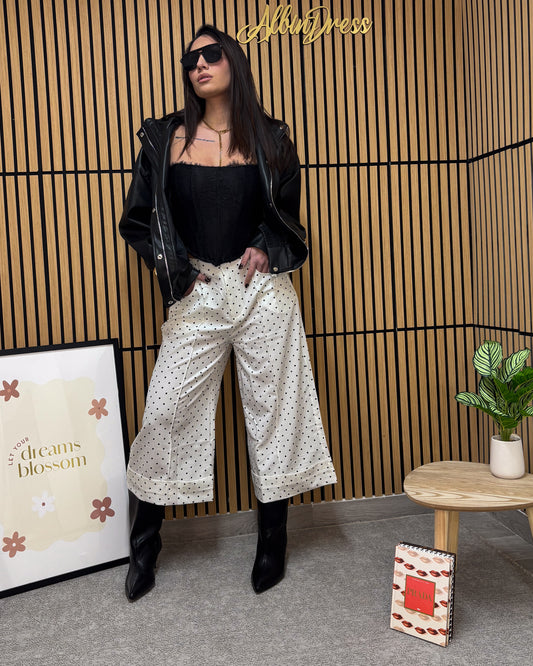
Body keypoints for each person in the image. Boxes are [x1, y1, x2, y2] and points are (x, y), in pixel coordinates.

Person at [119, 24, 337, 602]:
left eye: (211, 55)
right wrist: (178, 272)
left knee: (276, 414)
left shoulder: (270, 137)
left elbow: (284, 214)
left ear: (233, 62)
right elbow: (139, 221)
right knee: (165, 411)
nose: (199, 65)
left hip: (262, 292)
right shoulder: (164, 138)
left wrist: (266, 245)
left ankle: (273, 543)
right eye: (190, 60)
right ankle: (144, 546)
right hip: (198, 291)